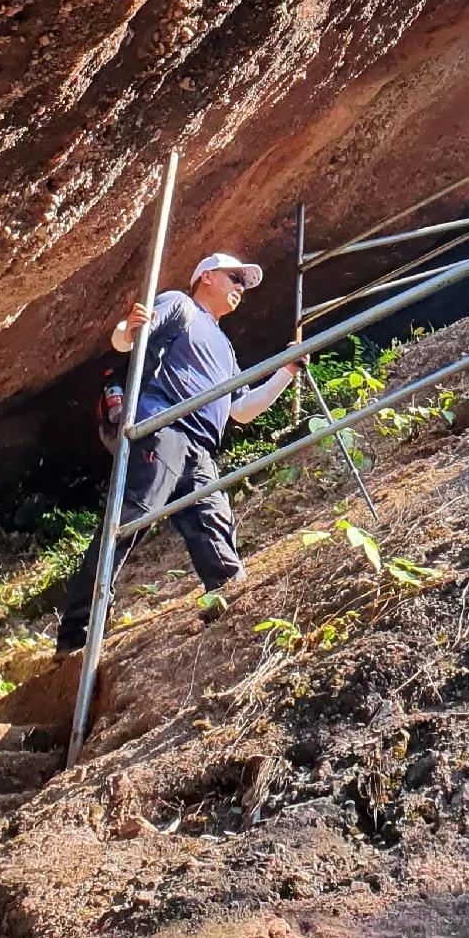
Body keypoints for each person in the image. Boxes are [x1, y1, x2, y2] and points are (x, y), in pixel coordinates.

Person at [56, 252, 295, 652]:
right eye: (233, 277)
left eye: (243, 282)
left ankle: (231, 603)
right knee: (129, 521)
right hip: (163, 427)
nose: (240, 288)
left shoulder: (226, 348)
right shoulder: (181, 305)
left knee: (214, 522)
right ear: (205, 277)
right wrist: (124, 330)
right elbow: (132, 335)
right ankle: (76, 635)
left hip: (200, 447)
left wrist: (285, 373)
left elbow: (240, 410)